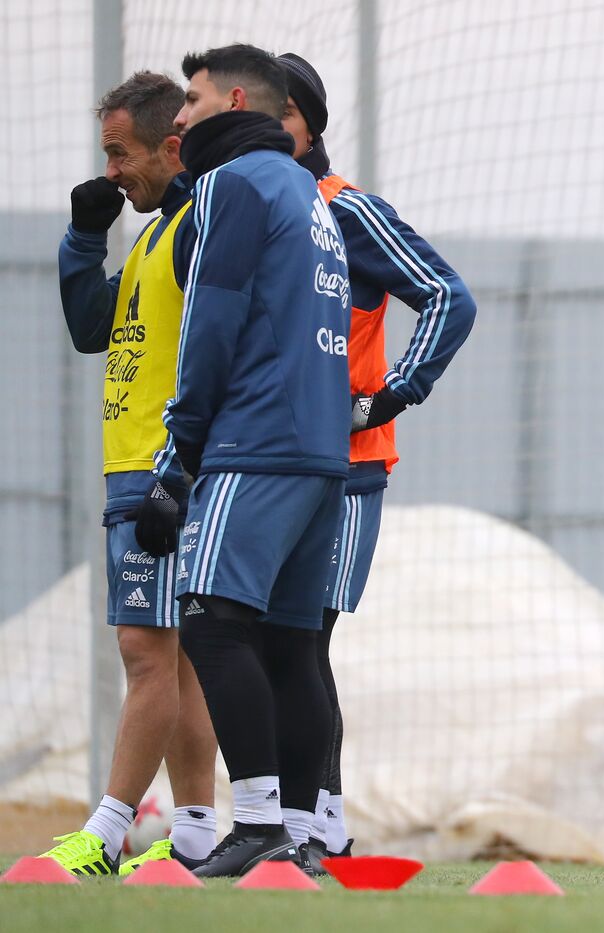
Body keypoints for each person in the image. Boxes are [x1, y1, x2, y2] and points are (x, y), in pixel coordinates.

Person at [150, 42, 351, 877]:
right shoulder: (307, 192)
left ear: (234, 100)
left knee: (210, 621)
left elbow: (211, 321)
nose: (180, 116)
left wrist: (180, 450)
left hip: (254, 440)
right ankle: (301, 837)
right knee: (293, 643)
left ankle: (260, 822)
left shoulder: (232, 183)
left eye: (190, 99)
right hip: (321, 449)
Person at [275, 51, 476, 870]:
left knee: (301, 639)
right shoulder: (255, 209)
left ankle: (317, 820)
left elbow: (447, 294)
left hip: (350, 465)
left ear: (307, 123)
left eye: (275, 116)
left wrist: (394, 392)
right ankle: (276, 819)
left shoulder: (346, 208)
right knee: (258, 639)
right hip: (268, 462)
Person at [41, 71, 218, 877]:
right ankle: (196, 834)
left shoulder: (197, 229)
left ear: (170, 146)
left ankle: (107, 832)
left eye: (120, 153)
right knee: (174, 661)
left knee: (145, 652)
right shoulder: (149, 234)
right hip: (136, 472)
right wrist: (83, 239)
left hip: (163, 472)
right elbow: (91, 328)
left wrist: (175, 469)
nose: (111, 171)